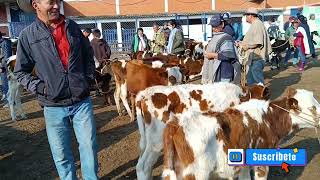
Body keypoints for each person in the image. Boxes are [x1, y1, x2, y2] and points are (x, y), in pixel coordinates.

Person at [15, 0, 98, 179]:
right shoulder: (28, 36)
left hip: (81, 101)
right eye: (50, 2)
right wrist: (42, 88)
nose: (55, 6)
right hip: (52, 105)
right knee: (61, 155)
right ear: (35, 4)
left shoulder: (73, 27)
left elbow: (88, 56)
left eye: (57, 1)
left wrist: (87, 78)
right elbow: (21, 72)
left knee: (89, 148)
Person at [202, 14, 240, 85]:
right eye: (212, 26)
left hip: (224, 73)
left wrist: (213, 55)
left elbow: (228, 56)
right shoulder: (217, 35)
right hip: (218, 73)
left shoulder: (226, 37)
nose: (213, 28)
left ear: (222, 24)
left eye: (216, 26)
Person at [237, 7, 271, 86]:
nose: (245, 17)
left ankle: (261, 95)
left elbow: (258, 42)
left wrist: (246, 46)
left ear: (251, 16)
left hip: (257, 58)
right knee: (250, 79)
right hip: (254, 57)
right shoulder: (255, 24)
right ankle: (253, 95)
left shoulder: (257, 24)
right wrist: (242, 43)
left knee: (257, 80)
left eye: (246, 15)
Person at [0, 31, 12, 107]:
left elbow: (7, 56)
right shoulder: (2, 43)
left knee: (6, 82)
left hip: (5, 66)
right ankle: (6, 96)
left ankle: (10, 100)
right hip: (2, 65)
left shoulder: (5, 42)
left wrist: (2, 66)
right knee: (3, 82)